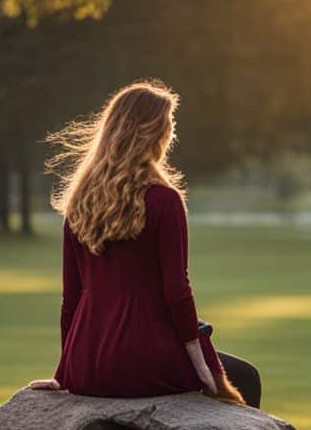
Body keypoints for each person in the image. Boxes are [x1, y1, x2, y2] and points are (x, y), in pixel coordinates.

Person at [28, 80, 262, 408]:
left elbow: (72, 299)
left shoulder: (79, 203)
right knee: (246, 378)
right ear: (155, 133)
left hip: (88, 364)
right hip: (145, 360)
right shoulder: (164, 200)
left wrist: (67, 372)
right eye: (169, 125)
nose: (171, 134)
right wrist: (202, 368)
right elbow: (176, 291)